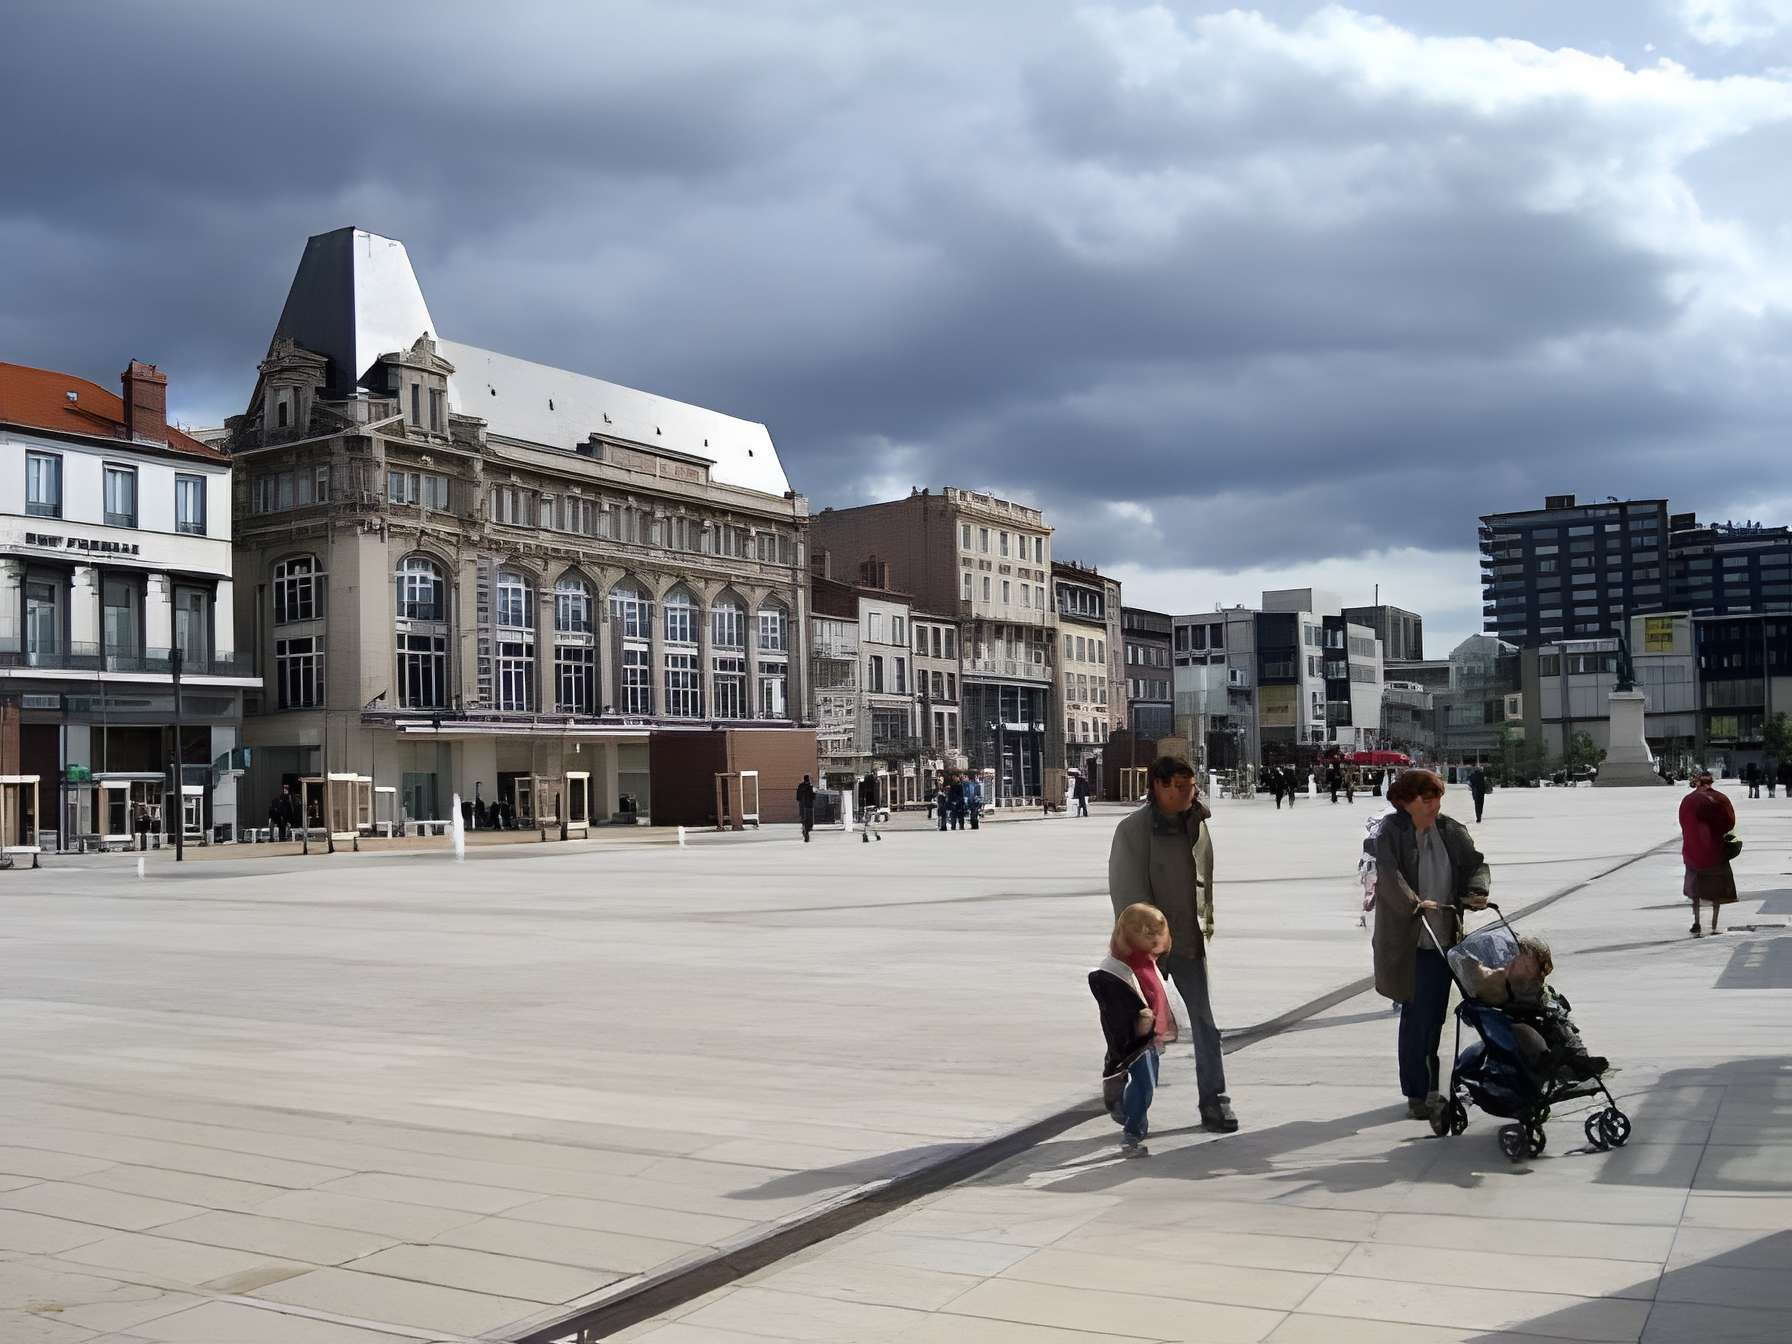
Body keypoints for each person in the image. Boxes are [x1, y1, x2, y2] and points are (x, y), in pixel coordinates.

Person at [1107, 755, 1236, 1132]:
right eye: (1179, 787)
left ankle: (1214, 1100)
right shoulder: (1133, 830)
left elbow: (1201, 879)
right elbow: (1127, 892)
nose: (1188, 793)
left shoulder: (1196, 822)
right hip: (1143, 947)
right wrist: (1144, 943)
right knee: (1140, 1026)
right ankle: (1127, 1098)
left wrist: (1202, 922)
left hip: (1187, 939)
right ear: (1159, 787)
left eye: (1191, 786)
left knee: (1205, 1024)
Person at [1371, 768, 1491, 1121]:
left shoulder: (1452, 831)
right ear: (1405, 802)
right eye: (1426, 799)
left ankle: (1432, 1086)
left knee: (1436, 1017)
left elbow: (1476, 865)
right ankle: (1417, 1092)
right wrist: (1414, 903)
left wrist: (1478, 890)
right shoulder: (1391, 833)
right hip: (1411, 940)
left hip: (1446, 938)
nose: (1434, 804)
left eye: (1437, 797)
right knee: (1417, 1018)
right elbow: (1389, 877)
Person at [1089, 903, 1175, 1158]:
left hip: (1153, 1035)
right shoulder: (1114, 972)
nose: (1153, 937)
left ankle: (1126, 1110)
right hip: (1137, 1038)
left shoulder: (1149, 961)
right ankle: (1132, 1129)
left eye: (1156, 932)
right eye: (1144, 932)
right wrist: (1139, 1023)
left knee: (1149, 1084)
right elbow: (1115, 1010)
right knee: (1145, 1084)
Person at [1680, 771, 1736, 937]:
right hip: (1714, 851)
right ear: (1711, 782)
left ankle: (1697, 922)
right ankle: (1712, 924)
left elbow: (1684, 824)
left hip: (1692, 851)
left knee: (1696, 890)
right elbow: (1729, 822)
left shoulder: (1687, 801)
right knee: (1715, 891)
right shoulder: (1720, 799)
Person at [859, 772, 882, 843]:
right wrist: (878, 805)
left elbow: (861, 797)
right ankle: (876, 835)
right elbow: (877, 796)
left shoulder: (863, 785)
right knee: (874, 822)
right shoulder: (875, 785)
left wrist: (861, 807)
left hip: (867, 806)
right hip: (873, 806)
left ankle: (865, 834)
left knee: (867, 822)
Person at [796, 774, 816, 843]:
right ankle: (807, 830)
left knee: (803, 819)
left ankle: (804, 827)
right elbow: (813, 797)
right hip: (809, 806)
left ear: (804, 779)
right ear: (808, 779)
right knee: (809, 819)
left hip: (802, 805)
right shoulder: (810, 787)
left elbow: (797, 798)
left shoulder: (800, 786)